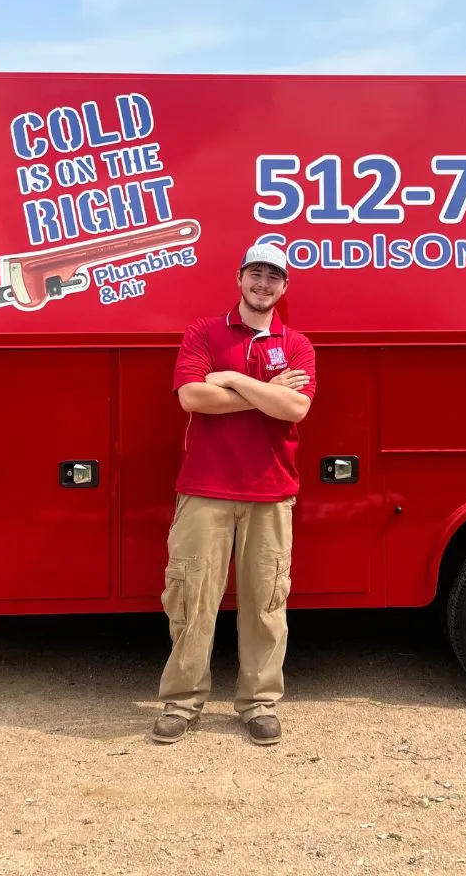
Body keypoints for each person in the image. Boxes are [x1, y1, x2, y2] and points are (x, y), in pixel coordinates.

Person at [151, 242, 316, 746]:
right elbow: (193, 397)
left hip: (271, 493)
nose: (264, 284)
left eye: (274, 277)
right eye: (256, 274)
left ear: (285, 287)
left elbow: (295, 410)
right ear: (239, 277)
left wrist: (232, 380)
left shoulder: (299, 344)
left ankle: (258, 703)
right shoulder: (203, 331)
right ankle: (182, 703)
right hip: (204, 491)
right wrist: (265, 389)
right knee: (191, 602)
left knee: (266, 605)